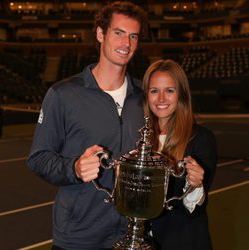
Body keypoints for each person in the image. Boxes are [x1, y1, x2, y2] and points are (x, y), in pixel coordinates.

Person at [27, 2, 148, 249]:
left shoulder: (144, 96)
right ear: (100, 34)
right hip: (78, 237)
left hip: (131, 234)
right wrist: (75, 168)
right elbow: (38, 158)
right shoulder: (63, 94)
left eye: (133, 36)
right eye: (118, 33)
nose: (126, 44)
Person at [142, 59, 217, 250]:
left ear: (181, 94)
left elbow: (195, 210)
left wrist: (196, 186)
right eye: (154, 91)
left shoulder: (201, 139)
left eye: (169, 90)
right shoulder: (140, 138)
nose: (161, 99)